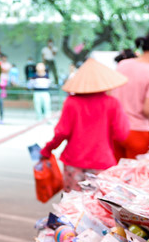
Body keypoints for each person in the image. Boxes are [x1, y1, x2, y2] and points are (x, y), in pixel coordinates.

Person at [40, 58, 129, 191]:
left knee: (73, 202)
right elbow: (122, 134)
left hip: (74, 161)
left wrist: (48, 149)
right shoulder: (112, 103)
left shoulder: (71, 102)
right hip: (102, 162)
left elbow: (62, 132)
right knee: (97, 202)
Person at [110, 31, 149, 159]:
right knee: (137, 171)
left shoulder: (123, 64)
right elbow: (148, 110)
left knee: (116, 170)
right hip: (138, 131)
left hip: (116, 129)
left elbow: (111, 93)